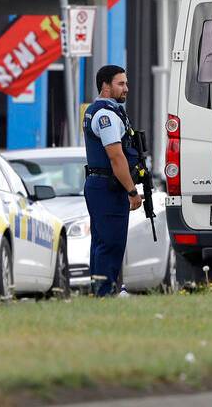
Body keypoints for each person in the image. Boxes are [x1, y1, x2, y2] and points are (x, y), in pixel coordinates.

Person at [83, 65, 142, 297]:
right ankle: (105, 292)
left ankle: (101, 290)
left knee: (102, 242)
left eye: (126, 83)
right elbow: (116, 156)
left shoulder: (104, 110)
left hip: (102, 185)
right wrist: (132, 190)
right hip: (108, 187)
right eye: (121, 84)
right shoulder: (106, 115)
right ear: (105, 86)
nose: (126, 88)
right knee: (111, 242)